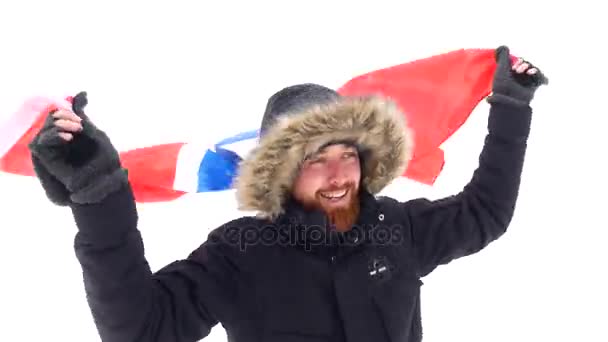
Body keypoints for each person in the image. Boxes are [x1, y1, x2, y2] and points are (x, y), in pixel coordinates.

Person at [28, 45, 547, 342]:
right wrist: (99, 199)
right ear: (279, 172)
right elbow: (143, 330)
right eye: (314, 161)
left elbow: (486, 213)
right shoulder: (238, 253)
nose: (338, 174)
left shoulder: (397, 229)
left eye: (347, 155)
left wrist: (510, 107)